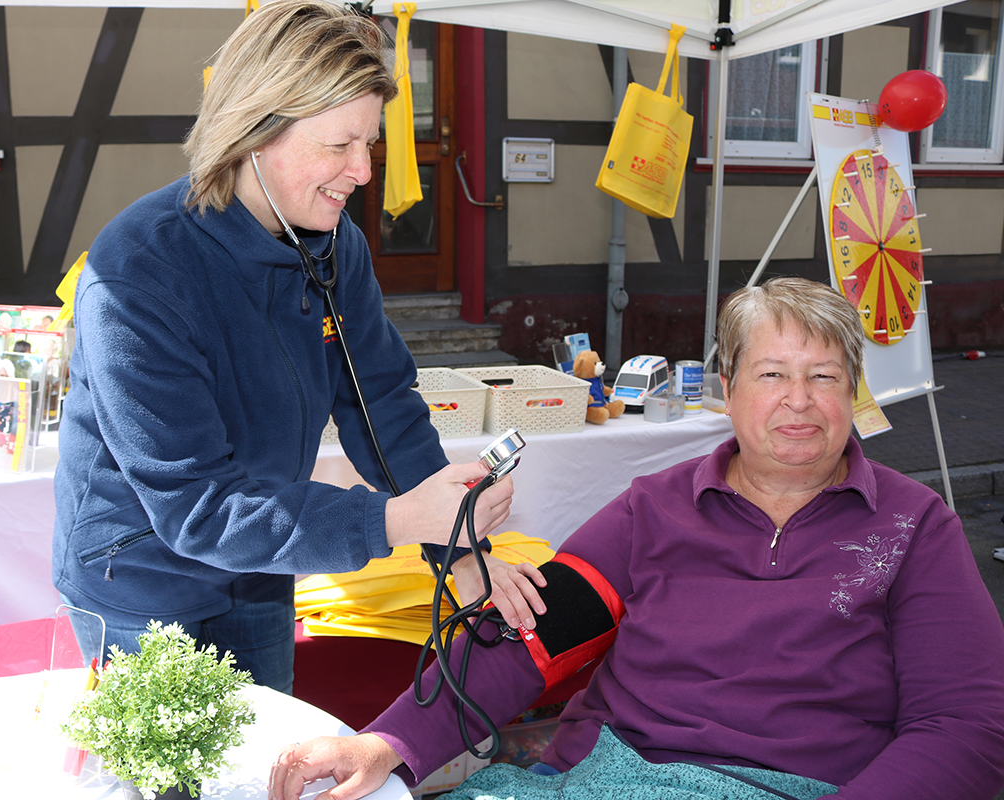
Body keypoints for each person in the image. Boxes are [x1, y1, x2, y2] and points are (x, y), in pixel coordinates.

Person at [270, 277, 1004, 800]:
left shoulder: (913, 527)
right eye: (773, 373)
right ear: (728, 387)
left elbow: (966, 726)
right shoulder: (655, 509)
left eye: (825, 376)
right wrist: (391, 743)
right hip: (612, 776)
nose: (800, 401)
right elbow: (530, 640)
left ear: (853, 393)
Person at [52, 0, 543, 693]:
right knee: (179, 785)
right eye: (339, 144)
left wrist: (457, 545)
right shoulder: (139, 271)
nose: (364, 170)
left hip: (258, 559)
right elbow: (194, 506)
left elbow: (381, 405)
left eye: (368, 143)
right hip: (142, 578)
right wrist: (396, 519)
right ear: (255, 130)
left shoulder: (336, 244)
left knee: (268, 767)